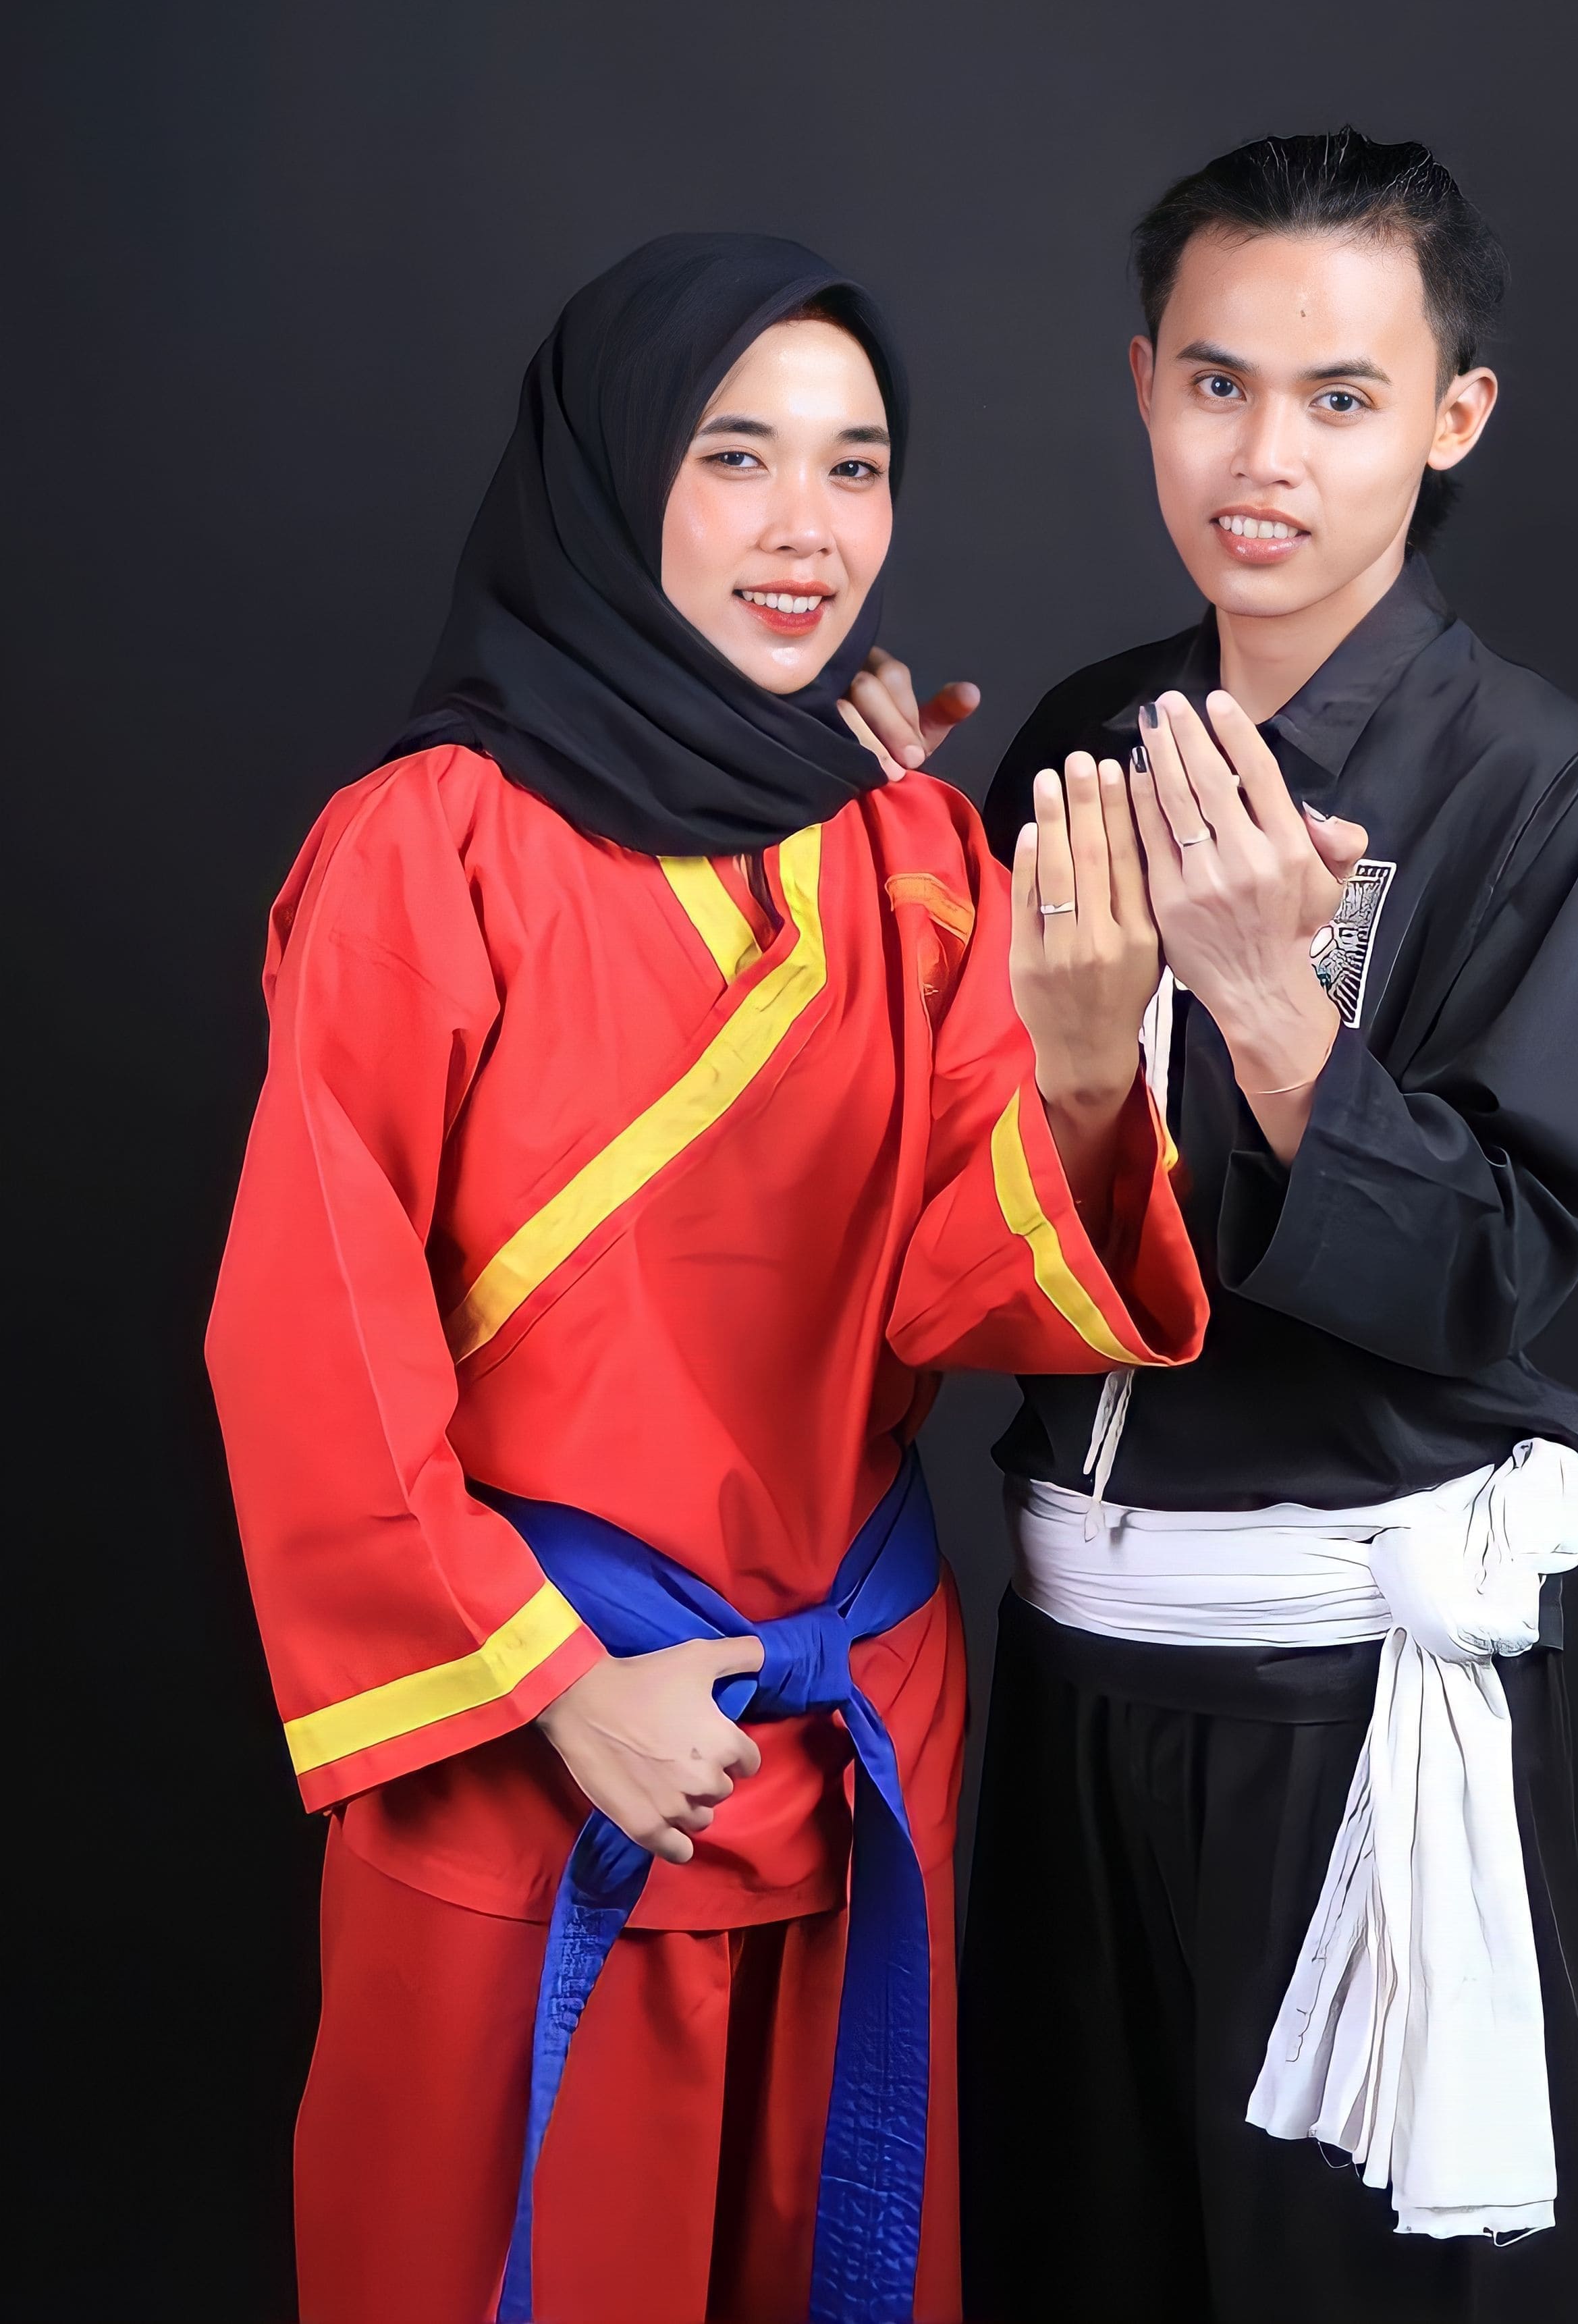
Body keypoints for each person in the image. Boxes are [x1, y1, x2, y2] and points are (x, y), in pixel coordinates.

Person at [204, 233, 1205, 2324]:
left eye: (856, 466)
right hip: (535, 1738)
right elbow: (316, 1335)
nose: (806, 527)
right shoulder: (429, 846)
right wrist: (564, 1690)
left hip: (845, 1739)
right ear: (610, 474)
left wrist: (1090, 1067)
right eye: (735, 455)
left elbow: (966, 1290)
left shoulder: (909, 854)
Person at [846, 131, 1578, 2324]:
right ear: (1144, 387)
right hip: (1068, 1672)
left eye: (1340, 396)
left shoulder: (1546, 788)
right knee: (1069, 2258)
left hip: (1339, 1698)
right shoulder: (1084, 741)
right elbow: (977, 1239)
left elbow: (1491, 1270)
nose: (1264, 456)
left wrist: (1276, 1015)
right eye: (1215, 386)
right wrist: (1041, 1024)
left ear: (1452, 416)